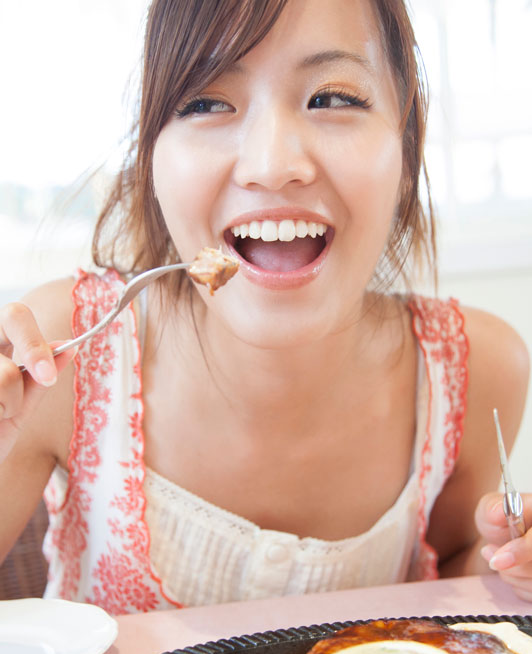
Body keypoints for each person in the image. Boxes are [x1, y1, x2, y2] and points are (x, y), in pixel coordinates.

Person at [0, 0, 529, 613]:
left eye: (332, 98)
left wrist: (508, 566)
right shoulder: (68, 350)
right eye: (204, 102)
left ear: (408, 152)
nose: (272, 166)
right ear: (150, 159)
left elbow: (460, 563)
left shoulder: (475, 371)